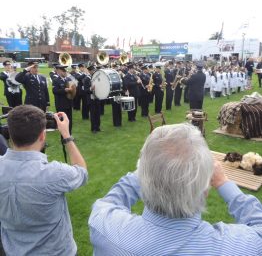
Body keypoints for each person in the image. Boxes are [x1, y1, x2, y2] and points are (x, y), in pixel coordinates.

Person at [89, 123, 262, 255]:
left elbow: (112, 199)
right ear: (205, 190)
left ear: (143, 178)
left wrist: (148, 166)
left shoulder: (103, 225)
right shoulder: (241, 247)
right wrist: (223, 183)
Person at [0, 105, 87, 256]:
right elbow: (82, 172)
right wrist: (66, 135)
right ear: (42, 135)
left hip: (12, 250)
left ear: (9, 133)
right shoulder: (55, 173)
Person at [52, 64, 74, 134]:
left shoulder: (69, 79)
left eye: (65, 71)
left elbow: (74, 87)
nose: (65, 72)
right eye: (63, 71)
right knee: (62, 121)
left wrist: (73, 89)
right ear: (58, 71)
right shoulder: (56, 80)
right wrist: (65, 90)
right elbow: (54, 91)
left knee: (69, 120)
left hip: (69, 103)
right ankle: (64, 137)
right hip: (61, 104)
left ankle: (69, 135)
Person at [82, 64, 101, 133]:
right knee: (93, 114)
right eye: (93, 70)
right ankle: (93, 128)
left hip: (97, 97)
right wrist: (91, 88)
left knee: (98, 113)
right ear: (89, 71)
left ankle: (98, 127)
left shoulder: (96, 77)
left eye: (94, 70)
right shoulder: (87, 79)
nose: (94, 71)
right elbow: (85, 90)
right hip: (91, 99)